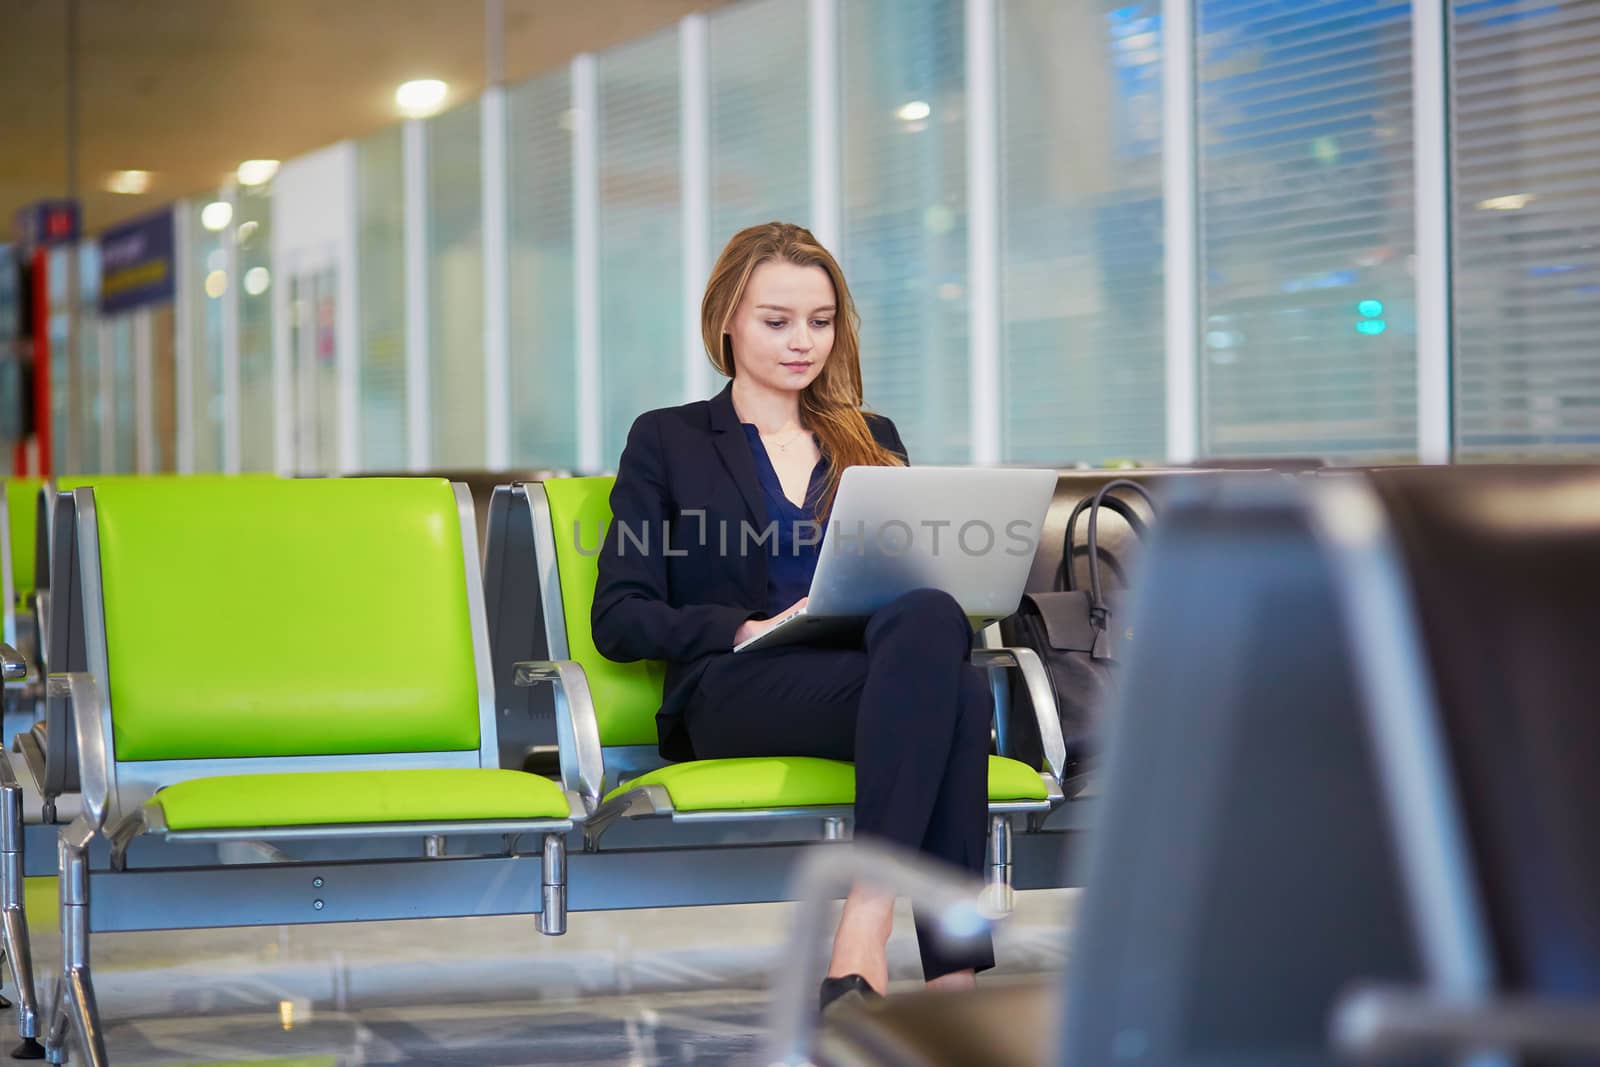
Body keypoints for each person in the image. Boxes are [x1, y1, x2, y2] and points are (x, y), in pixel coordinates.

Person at [592, 221, 995, 1010]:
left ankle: (867, 936)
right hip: (734, 686)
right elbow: (619, 613)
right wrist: (743, 627)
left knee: (935, 623)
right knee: (961, 698)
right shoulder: (668, 440)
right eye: (777, 321)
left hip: (857, 678)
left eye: (820, 320)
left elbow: (912, 597)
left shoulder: (872, 439)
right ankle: (945, 980)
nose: (801, 342)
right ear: (727, 321)